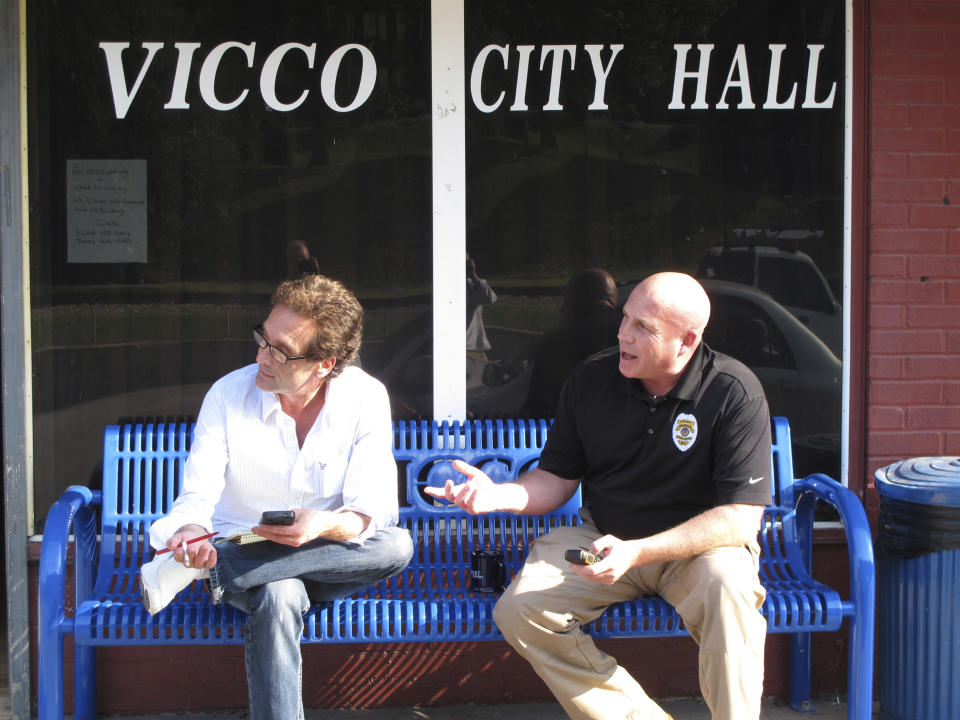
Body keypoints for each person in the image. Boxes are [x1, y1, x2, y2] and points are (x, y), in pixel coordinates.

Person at [426, 272, 771, 720]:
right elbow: (556, 479)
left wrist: (639, 552)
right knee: (521, 609)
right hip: (603, 541)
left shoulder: (733, 392)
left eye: (643, 328)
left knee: (730, 590)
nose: (623, 334)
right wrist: (498, 496)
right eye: (625, 318)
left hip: (696, 550)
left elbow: (741, 520)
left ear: (685, 342)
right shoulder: (591, 378)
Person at [139, 273, 414, 720]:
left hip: (329, 556)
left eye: (280, 351)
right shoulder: (228, 394)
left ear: (325, 363)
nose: (261, 356)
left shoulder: (365, 398)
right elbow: (197, 495)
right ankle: (221, 567)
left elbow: (374, 509)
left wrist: (322, 525)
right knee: (280, 593)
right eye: (263, 339)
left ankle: (220, 572)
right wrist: (191, 534)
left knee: (398, 544)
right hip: (245, 541)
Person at [522, 268, 621, 416]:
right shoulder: (636, 342)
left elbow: (535, 409)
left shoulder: (556, 343)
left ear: (579, 300)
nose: (561, 309)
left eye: (567, 300)